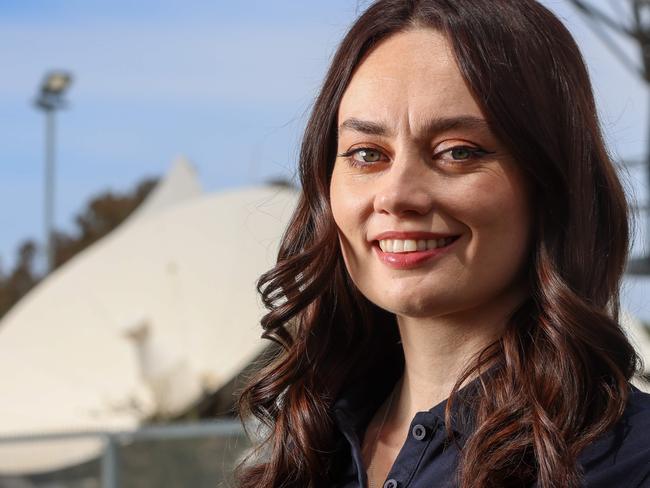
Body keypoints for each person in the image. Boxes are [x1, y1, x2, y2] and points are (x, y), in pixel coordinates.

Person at [235, 1, 650, 487]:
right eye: (367, 154)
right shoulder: (304, 452)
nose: (396, 195)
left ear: (553, 183)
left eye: (458, 152)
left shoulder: (631, 464)